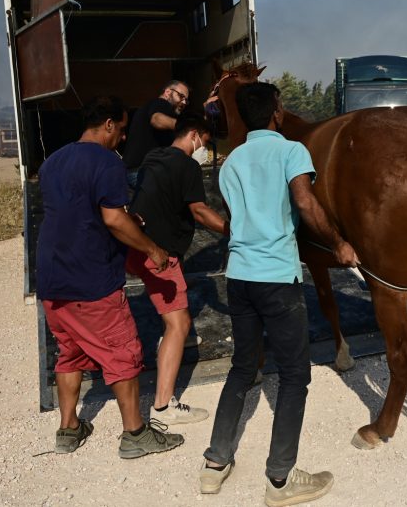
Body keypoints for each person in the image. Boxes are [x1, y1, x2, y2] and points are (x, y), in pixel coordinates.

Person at [199, 82, 359, 506]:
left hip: (239, 276)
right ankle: (280, 480)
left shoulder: (230, 162)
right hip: (276, 278)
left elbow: (237, 217)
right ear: (277, 112)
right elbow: (305, 204)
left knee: (241, 368)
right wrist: (339, 243)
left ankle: (215, 464)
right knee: (294, 375)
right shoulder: (292, 151)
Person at [35, 96, 183, 459]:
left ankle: (68, 429)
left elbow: (77, 213)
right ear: (108, 125)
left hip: (52, 277)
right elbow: (113, 220)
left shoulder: (53, 161)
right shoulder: (106, 161)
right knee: (123, 352)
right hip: (90, 277)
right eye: (122, 129)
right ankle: (135, 433)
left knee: (69, 353)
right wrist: (152, 249)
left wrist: (128, 222)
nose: (123, 137)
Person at [125, 113, 229, 428]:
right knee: (179, 324)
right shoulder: (186, 166)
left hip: (136, 246)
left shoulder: (153, 156)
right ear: (195, 134)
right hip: (159, 254)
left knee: (175, 319)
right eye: (205, 144)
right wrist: (234, 230)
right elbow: (199, 211)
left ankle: (172, 345)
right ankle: (163, 405)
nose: (204, 151)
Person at [123, 80, 191, 187]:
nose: (183, 102)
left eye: (186, 100)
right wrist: (186, 127)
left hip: (136, 172)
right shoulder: (161, 103)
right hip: (143, 172)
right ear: (168, 92)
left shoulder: (149, 106)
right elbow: (157, 120)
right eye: (181, 96)